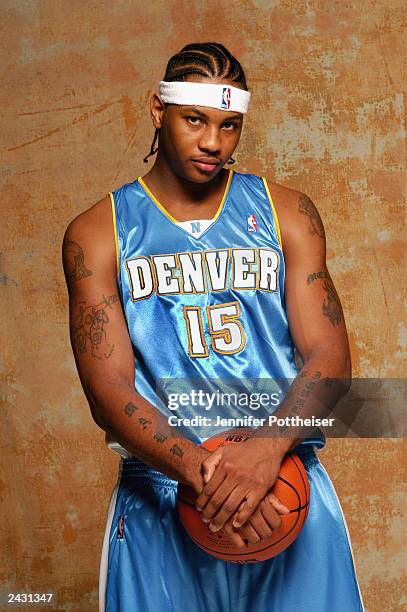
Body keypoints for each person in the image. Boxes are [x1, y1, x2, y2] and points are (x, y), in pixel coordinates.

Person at [62, 42, 365, 611]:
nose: (212, 142)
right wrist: (202, 471)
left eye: (230, 125)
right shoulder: (98, 232)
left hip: (282, 487)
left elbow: (330, 361)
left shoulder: (287, 213)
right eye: (194, 119)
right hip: (162, 495)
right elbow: (108, 392)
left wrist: (264, 454)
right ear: (158, 109)